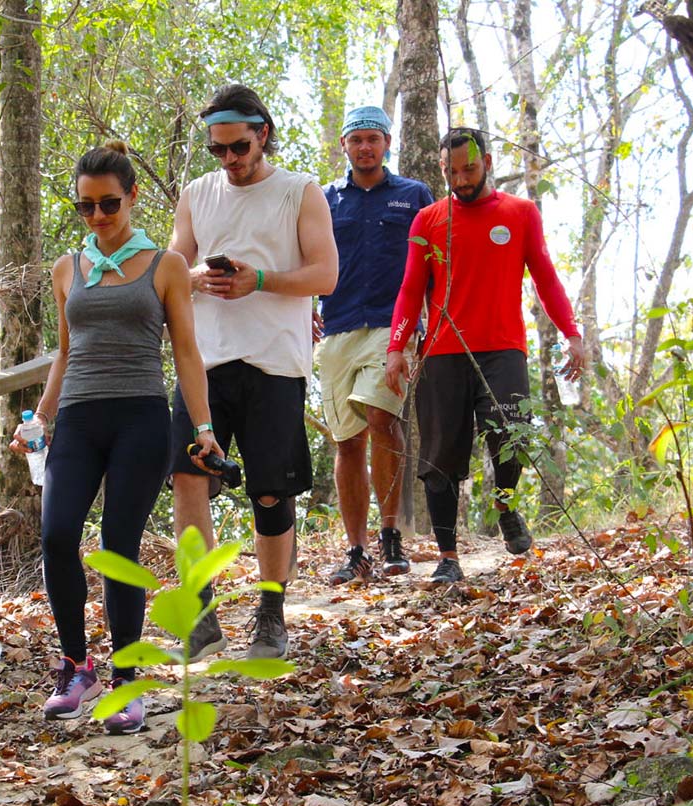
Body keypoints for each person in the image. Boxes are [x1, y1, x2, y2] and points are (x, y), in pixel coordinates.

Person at [13, 141, 222, 734]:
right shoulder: (67, 269)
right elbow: (64, 353)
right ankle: (78, 668)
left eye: (109, 204)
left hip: (140, 416)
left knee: (118, 545)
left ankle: (128, 678)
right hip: (78, 417)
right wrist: (40, 418)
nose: (99, 217)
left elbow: (185, 351)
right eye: (86, 207)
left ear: (131, 197)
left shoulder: (166, 266)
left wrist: (203, 429)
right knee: (56, 535)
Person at [169, 83, 339, 658]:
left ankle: (271, 611)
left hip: (274, 361)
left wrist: (258, 280)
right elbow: (174, 268)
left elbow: (325, 275)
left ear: (262, 134)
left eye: (238, 147)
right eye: (218, 150)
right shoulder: (197, 193)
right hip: (205, 361)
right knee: (188, 479)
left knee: (271, 493)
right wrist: (199, 278)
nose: (230, 161)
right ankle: (201, 609)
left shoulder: (300, 192)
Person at [386, 127, 586, 584]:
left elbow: (546, 278)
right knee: (439, 457)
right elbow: (410, 288)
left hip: (502, 348)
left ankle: (506, 505)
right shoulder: (429, 220)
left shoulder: (520, 213)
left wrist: (571, 333)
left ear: (488, 162)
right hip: (441, 351)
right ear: (442, 170)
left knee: (510, 433)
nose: (461, 180)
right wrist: (397, 346)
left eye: (469, 169)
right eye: (451, 171)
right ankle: (448, 557)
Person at [317, 106, 434, 584]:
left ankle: (391, 535)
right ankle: (356, 549)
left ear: (387, 142)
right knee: (347, 442)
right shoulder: (325, 199)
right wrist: (304, 306)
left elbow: (432, 262)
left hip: (394, 327)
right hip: (337, 328)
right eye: (356, 139)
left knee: (383, 417)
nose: (365, 147)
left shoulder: (413, 195)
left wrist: (428, 323)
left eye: (373, 139)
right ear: (343, 145)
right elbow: (306, 256)